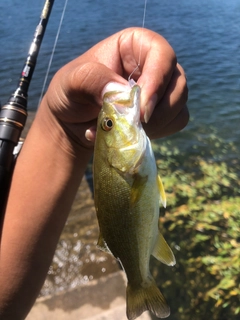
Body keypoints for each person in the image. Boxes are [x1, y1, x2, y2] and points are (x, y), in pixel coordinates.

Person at [0, 27, 188, 319]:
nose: (110, 117)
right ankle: (139, 283)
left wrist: (59, 124)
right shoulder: (132, 170)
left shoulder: (129, 168)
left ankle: (139, 281)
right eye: (108, 126)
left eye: (107, 125)